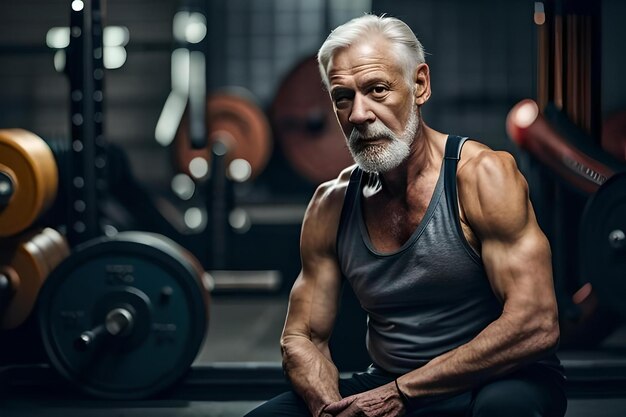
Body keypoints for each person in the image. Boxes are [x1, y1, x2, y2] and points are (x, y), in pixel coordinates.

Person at [246, 14, 566, 417]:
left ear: (419, 85)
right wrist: (330, 407)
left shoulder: (481, 177)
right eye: (343, 97)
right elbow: (302, 336)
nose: (359, 114)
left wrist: (403, 392)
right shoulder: (331, 204)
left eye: (377, 90)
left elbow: (535, 323)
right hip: (389, 382)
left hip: (497, 379)